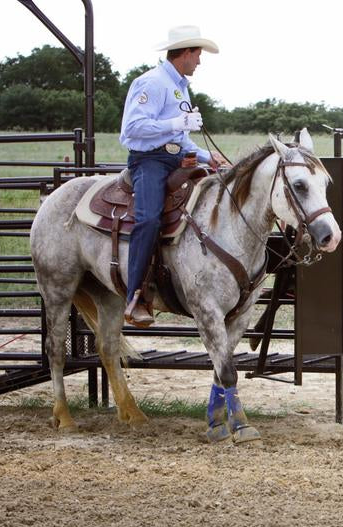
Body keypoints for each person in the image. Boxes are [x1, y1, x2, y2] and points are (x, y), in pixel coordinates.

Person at [119, 25, 229, 327]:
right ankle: (136, 296)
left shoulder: (180, 86)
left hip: (175, 157)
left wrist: (208, 156)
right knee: (149, 219)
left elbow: (181, 139)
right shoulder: (152, 83)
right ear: (186, 53)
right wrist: (177, 121)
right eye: (198, 55)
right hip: (150, 161)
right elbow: (133, 128)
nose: (200, 62)